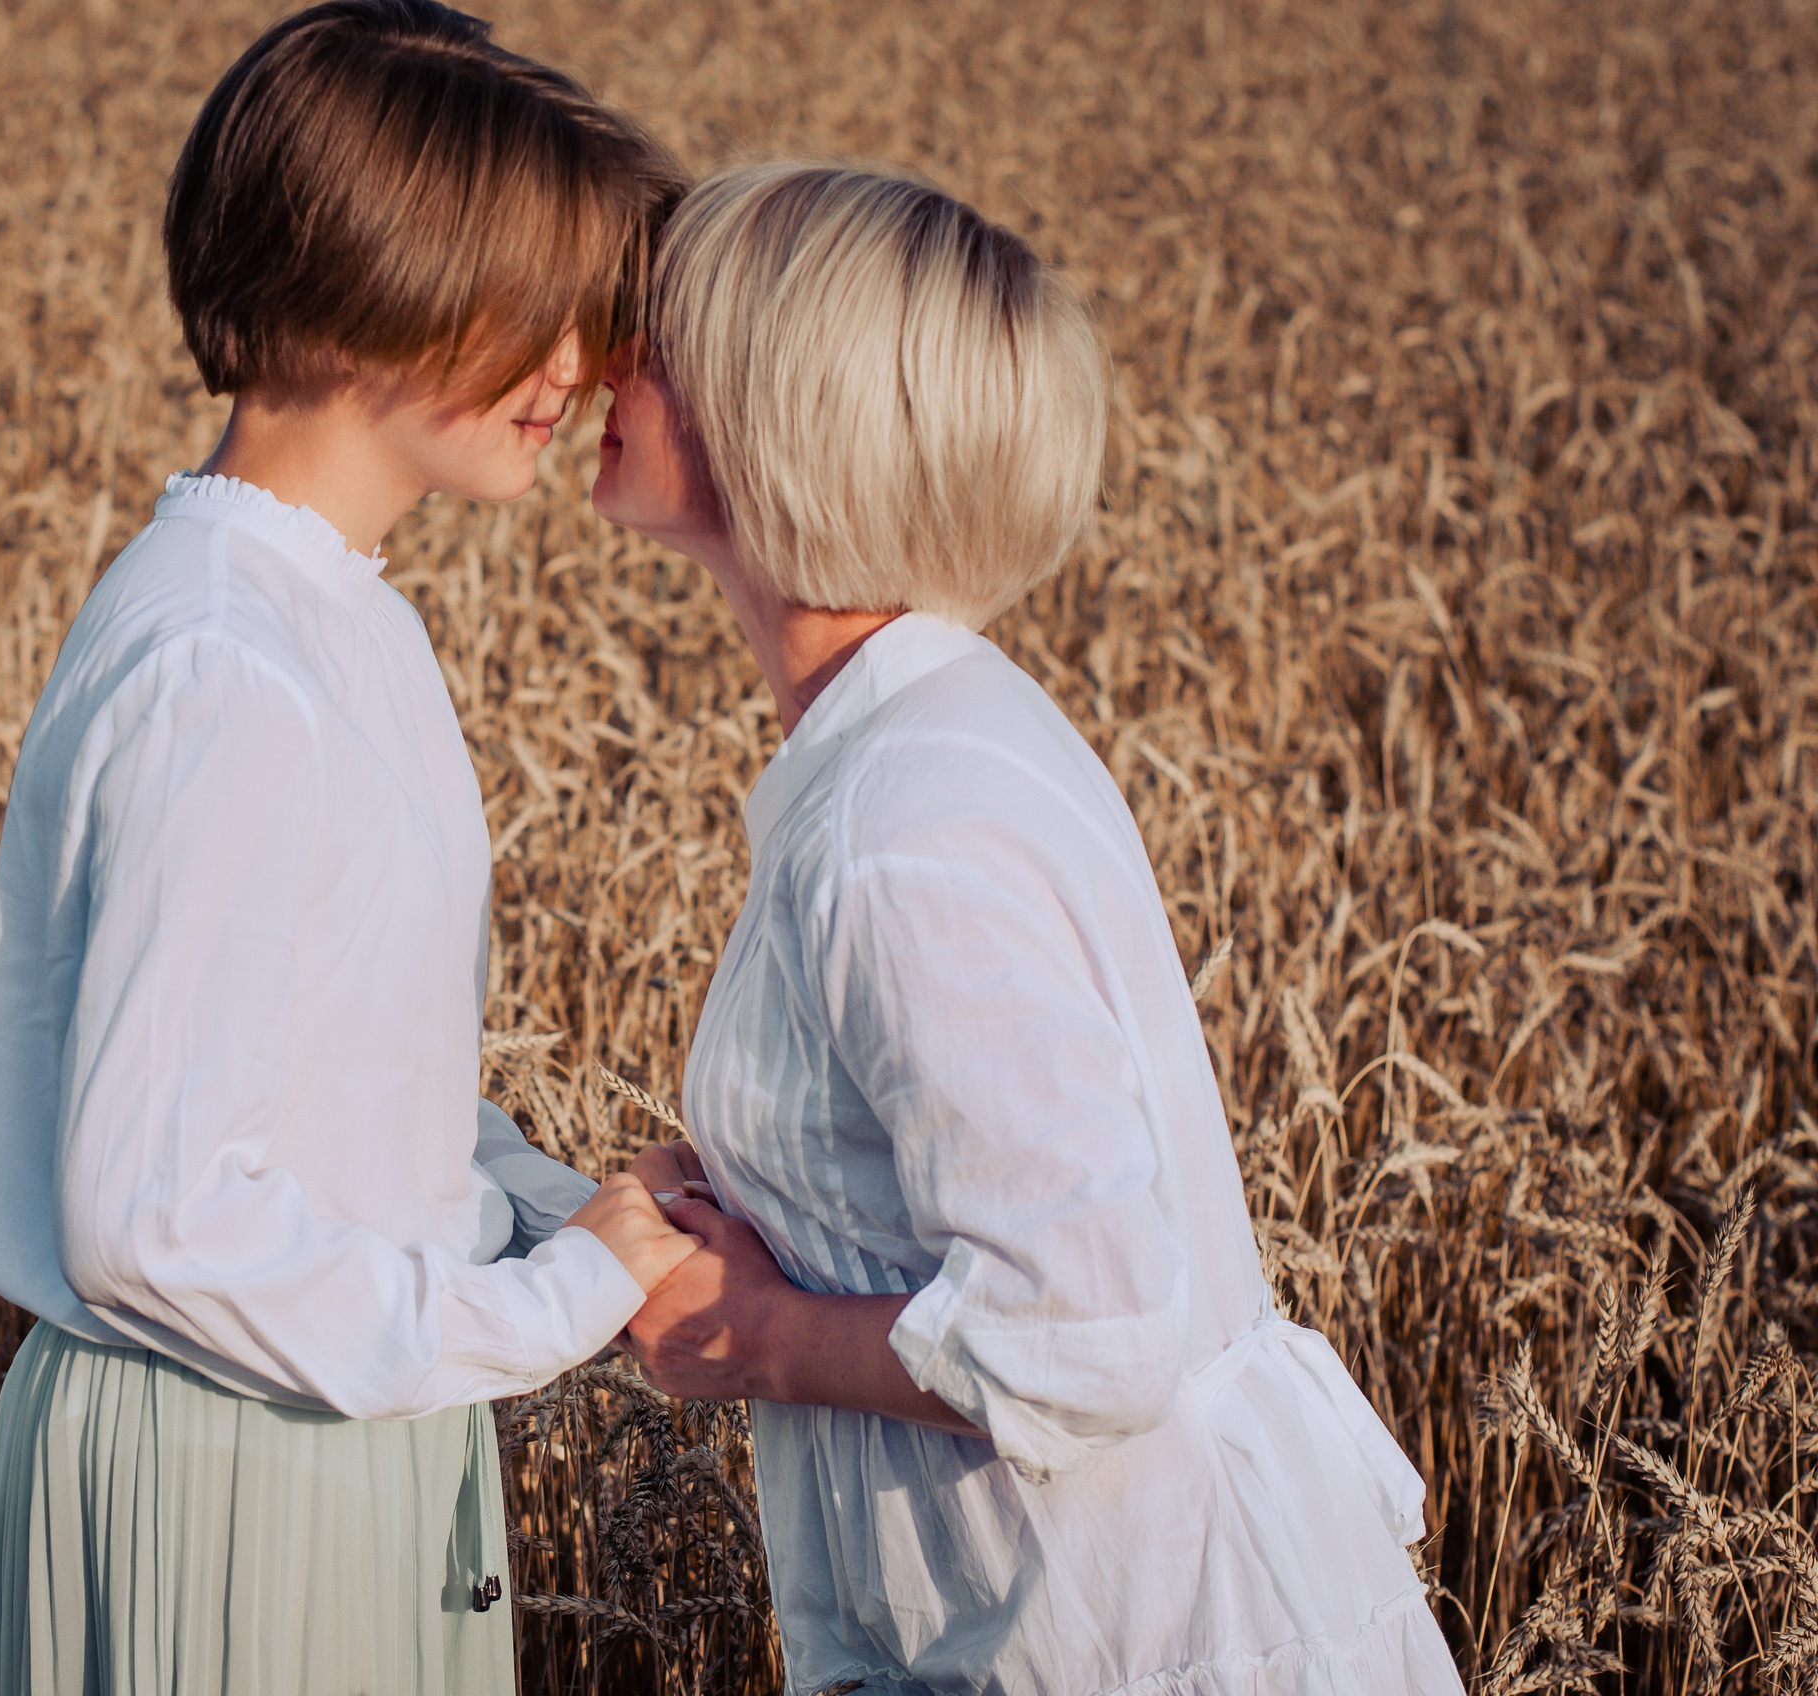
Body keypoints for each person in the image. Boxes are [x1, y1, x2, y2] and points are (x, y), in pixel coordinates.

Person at [591, 162, 1467, 1696]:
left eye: (659, 335)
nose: (606, 362)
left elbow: (1094, 1322)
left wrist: (758, 1336)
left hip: (1116, 1643)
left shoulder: (898, 820)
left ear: (778, 404)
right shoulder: (925, 738)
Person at [0, 8, 694, 1692]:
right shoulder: (227, 665)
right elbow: (156, 1220)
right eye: (538, 301)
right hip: (233, 1454)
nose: (578, 365)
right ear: (379, 277)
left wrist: (567, 1218)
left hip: (326, 1413)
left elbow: (332, 1091)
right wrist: (541, 1306)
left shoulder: (323, 617)